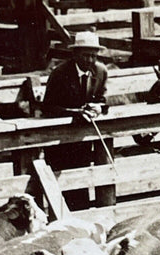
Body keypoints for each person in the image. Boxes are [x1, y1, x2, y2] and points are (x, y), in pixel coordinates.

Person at [42, 31, 110, 209]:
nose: (90, 60)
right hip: (60, 142)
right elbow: (48, 107)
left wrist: (99, 107)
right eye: (86, 55)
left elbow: (103, 100)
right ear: (75, 54)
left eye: (94, 56)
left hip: (83, 140)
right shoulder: (60, 73)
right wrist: (74, 113)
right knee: (62, 190)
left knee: (82, 186)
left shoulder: (100, 71)